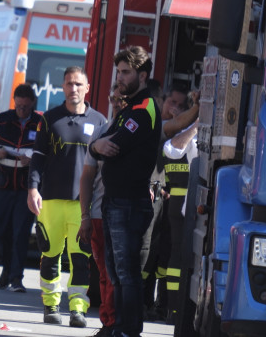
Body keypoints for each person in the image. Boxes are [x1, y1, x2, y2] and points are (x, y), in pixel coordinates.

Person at [89, 46, 162, 337]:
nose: (119, 77)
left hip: (129, 203)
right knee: (116, 273)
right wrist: (96, 146)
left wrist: (98, 147)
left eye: (126, 72)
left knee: (127, 273)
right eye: (118, 71)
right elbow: (99, 143)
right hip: (114, 201)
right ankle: (116, 326)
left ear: (142, 75)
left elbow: (113, 145)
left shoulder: (144, 109)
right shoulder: (127, 107)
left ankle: (129, 330)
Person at [28, 66, 108, 328]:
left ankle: (77, 309)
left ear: (87, 88)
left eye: (77, 84)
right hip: (50, 201)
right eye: (68, 84)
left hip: (82, 204)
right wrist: (32, 188)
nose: (73, 89)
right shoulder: (49, 118)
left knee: (81, 259)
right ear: (63, 88)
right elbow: (37, 157)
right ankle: (51, 305)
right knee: (50, 255)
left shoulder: (100, 122)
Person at [0, 83, 41, 294]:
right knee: (2, 231)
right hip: (3, 186)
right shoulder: (2, 120)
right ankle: (7, 270)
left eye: (26, 107)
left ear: (33, 104)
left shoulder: (40, 123)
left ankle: (17, 278)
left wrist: (32, 161)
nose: (22, 111)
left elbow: (47, 153)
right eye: (18, 106)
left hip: (26, 189)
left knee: (20, 234)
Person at [79, 84, 126, 336]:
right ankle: (108, 324)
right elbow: (86, 178)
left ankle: (116, 325)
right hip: (98, 215)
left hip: (125, 214)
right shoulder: (101, 131)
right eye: (112, 98)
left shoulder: (139, 131)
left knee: (118, 275)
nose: (116, 103)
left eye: (122, 99)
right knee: (105, 274)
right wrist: (85, 216)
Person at [155, 90, 199, 326]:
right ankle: (173, 309)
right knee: (177, 255)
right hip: (182, 204)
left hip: (199, 203)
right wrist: (196, 125)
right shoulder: (188, 132)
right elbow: (172, 150)